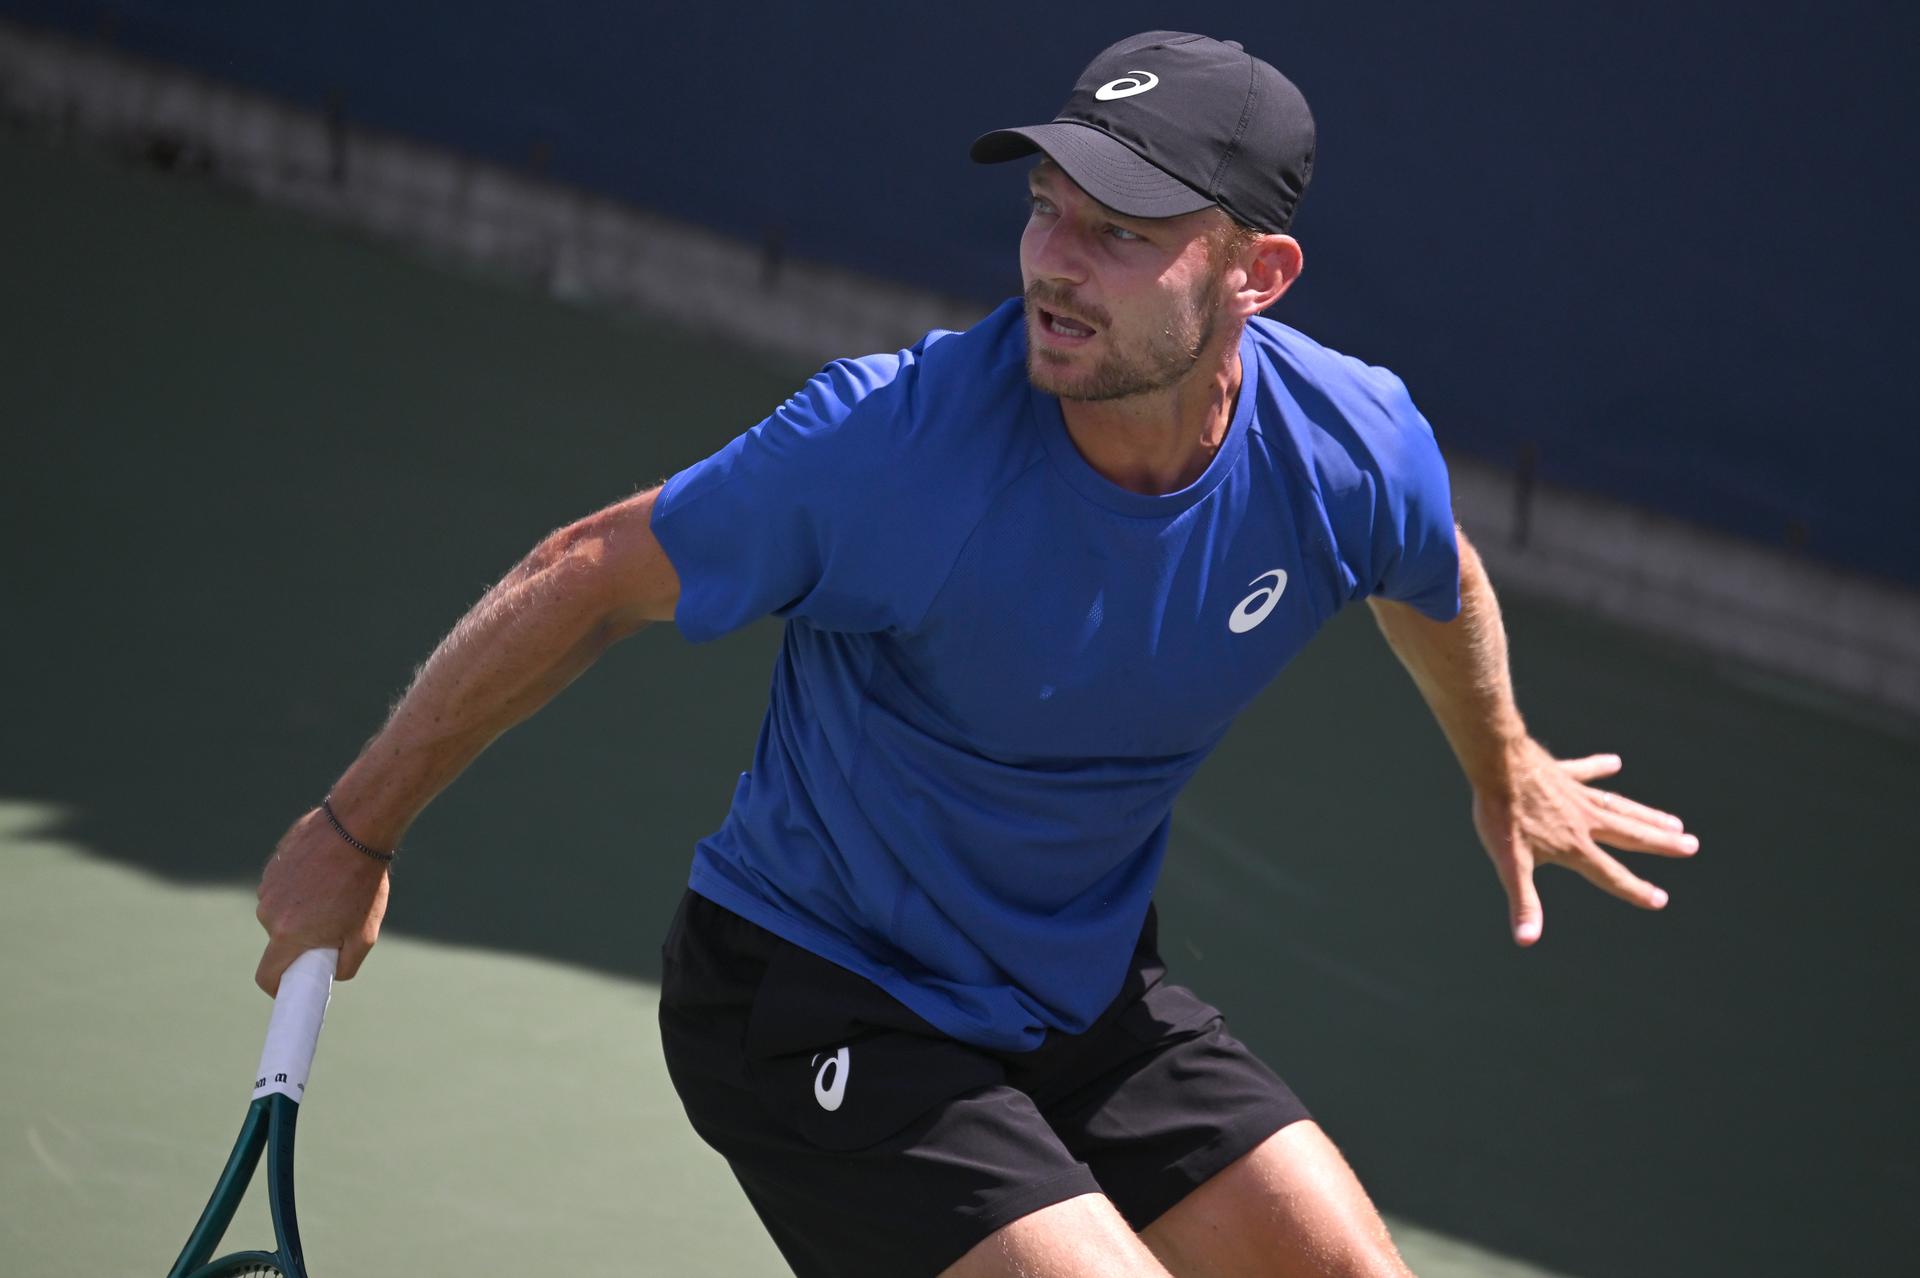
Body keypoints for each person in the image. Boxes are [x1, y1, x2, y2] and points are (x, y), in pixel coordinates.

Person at [254, 30, 1699, 1278]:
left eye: (1121, 233)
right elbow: (585, 576)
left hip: (1079, 992)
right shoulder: (889, 448)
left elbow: (1435, 567)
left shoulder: (1346, 445)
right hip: (821, 993)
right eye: (1046, 207)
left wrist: (1500, 757)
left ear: (1257, 273)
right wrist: (354, 827)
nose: (1053, 266)